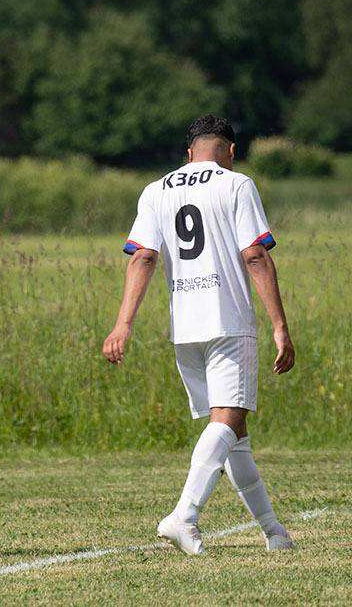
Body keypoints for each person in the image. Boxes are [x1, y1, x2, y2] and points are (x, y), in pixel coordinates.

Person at [102, 115, 296, 555]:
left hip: (185, 326)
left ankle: (274, 533)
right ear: (230, 150)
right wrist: (280, 326)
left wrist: (123, 323)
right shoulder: (236, 184)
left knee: (235, 432)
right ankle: (183, 515)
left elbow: (143, 258)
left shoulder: (155, 190)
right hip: (228, 321)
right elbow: (255, 255)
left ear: (188, 154)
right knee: (225, 422)